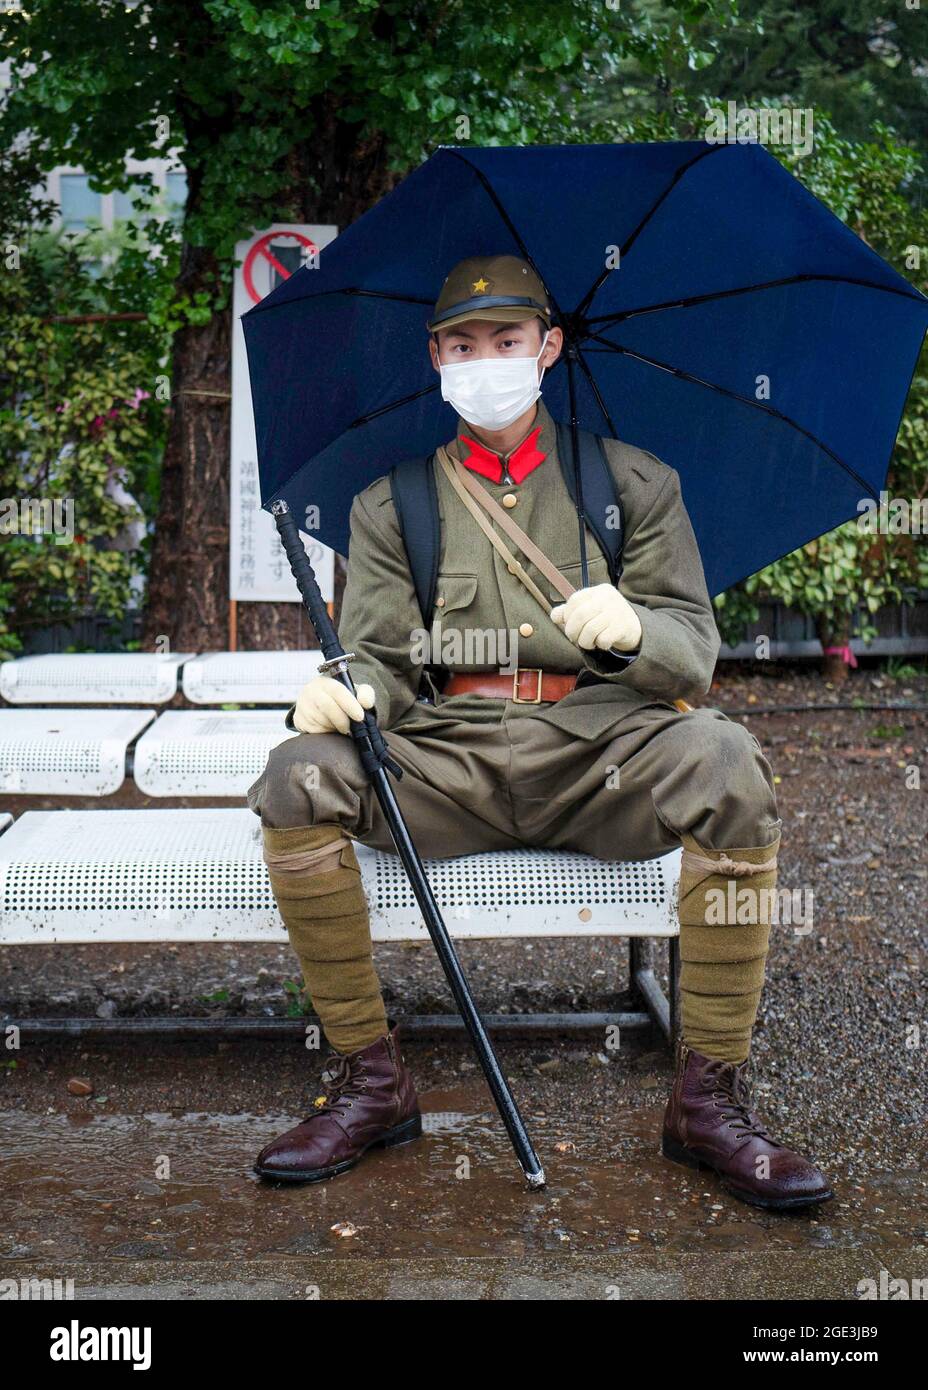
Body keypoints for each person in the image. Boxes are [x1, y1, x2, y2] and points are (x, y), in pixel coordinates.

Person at [246, 253, 832, 1211]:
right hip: (453, 758)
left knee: (726, 761)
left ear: (548, 347)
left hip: (600, 752)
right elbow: (384, 662)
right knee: (297, 776)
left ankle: (708, 1099)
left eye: (507, 341)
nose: (486, 360)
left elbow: (693, 655)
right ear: (436, 356)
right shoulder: (392, 504)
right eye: (464, 345)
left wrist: (639, 631)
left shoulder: (632, 483)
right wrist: (343, 689)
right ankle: (372, 1079)